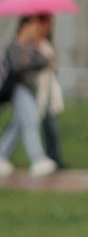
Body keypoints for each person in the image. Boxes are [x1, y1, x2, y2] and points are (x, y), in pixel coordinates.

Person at [0, 17, 56, 179]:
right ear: (24, 26)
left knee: (18, 125)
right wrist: (31, 60)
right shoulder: (15, 46)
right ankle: (37, 158)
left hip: (31, 90)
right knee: (31, 122)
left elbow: (44, 61)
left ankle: (2, 154)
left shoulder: (33, 47)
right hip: (20, 89)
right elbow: (18, 66)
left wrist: (32, 54)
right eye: (32, 26)